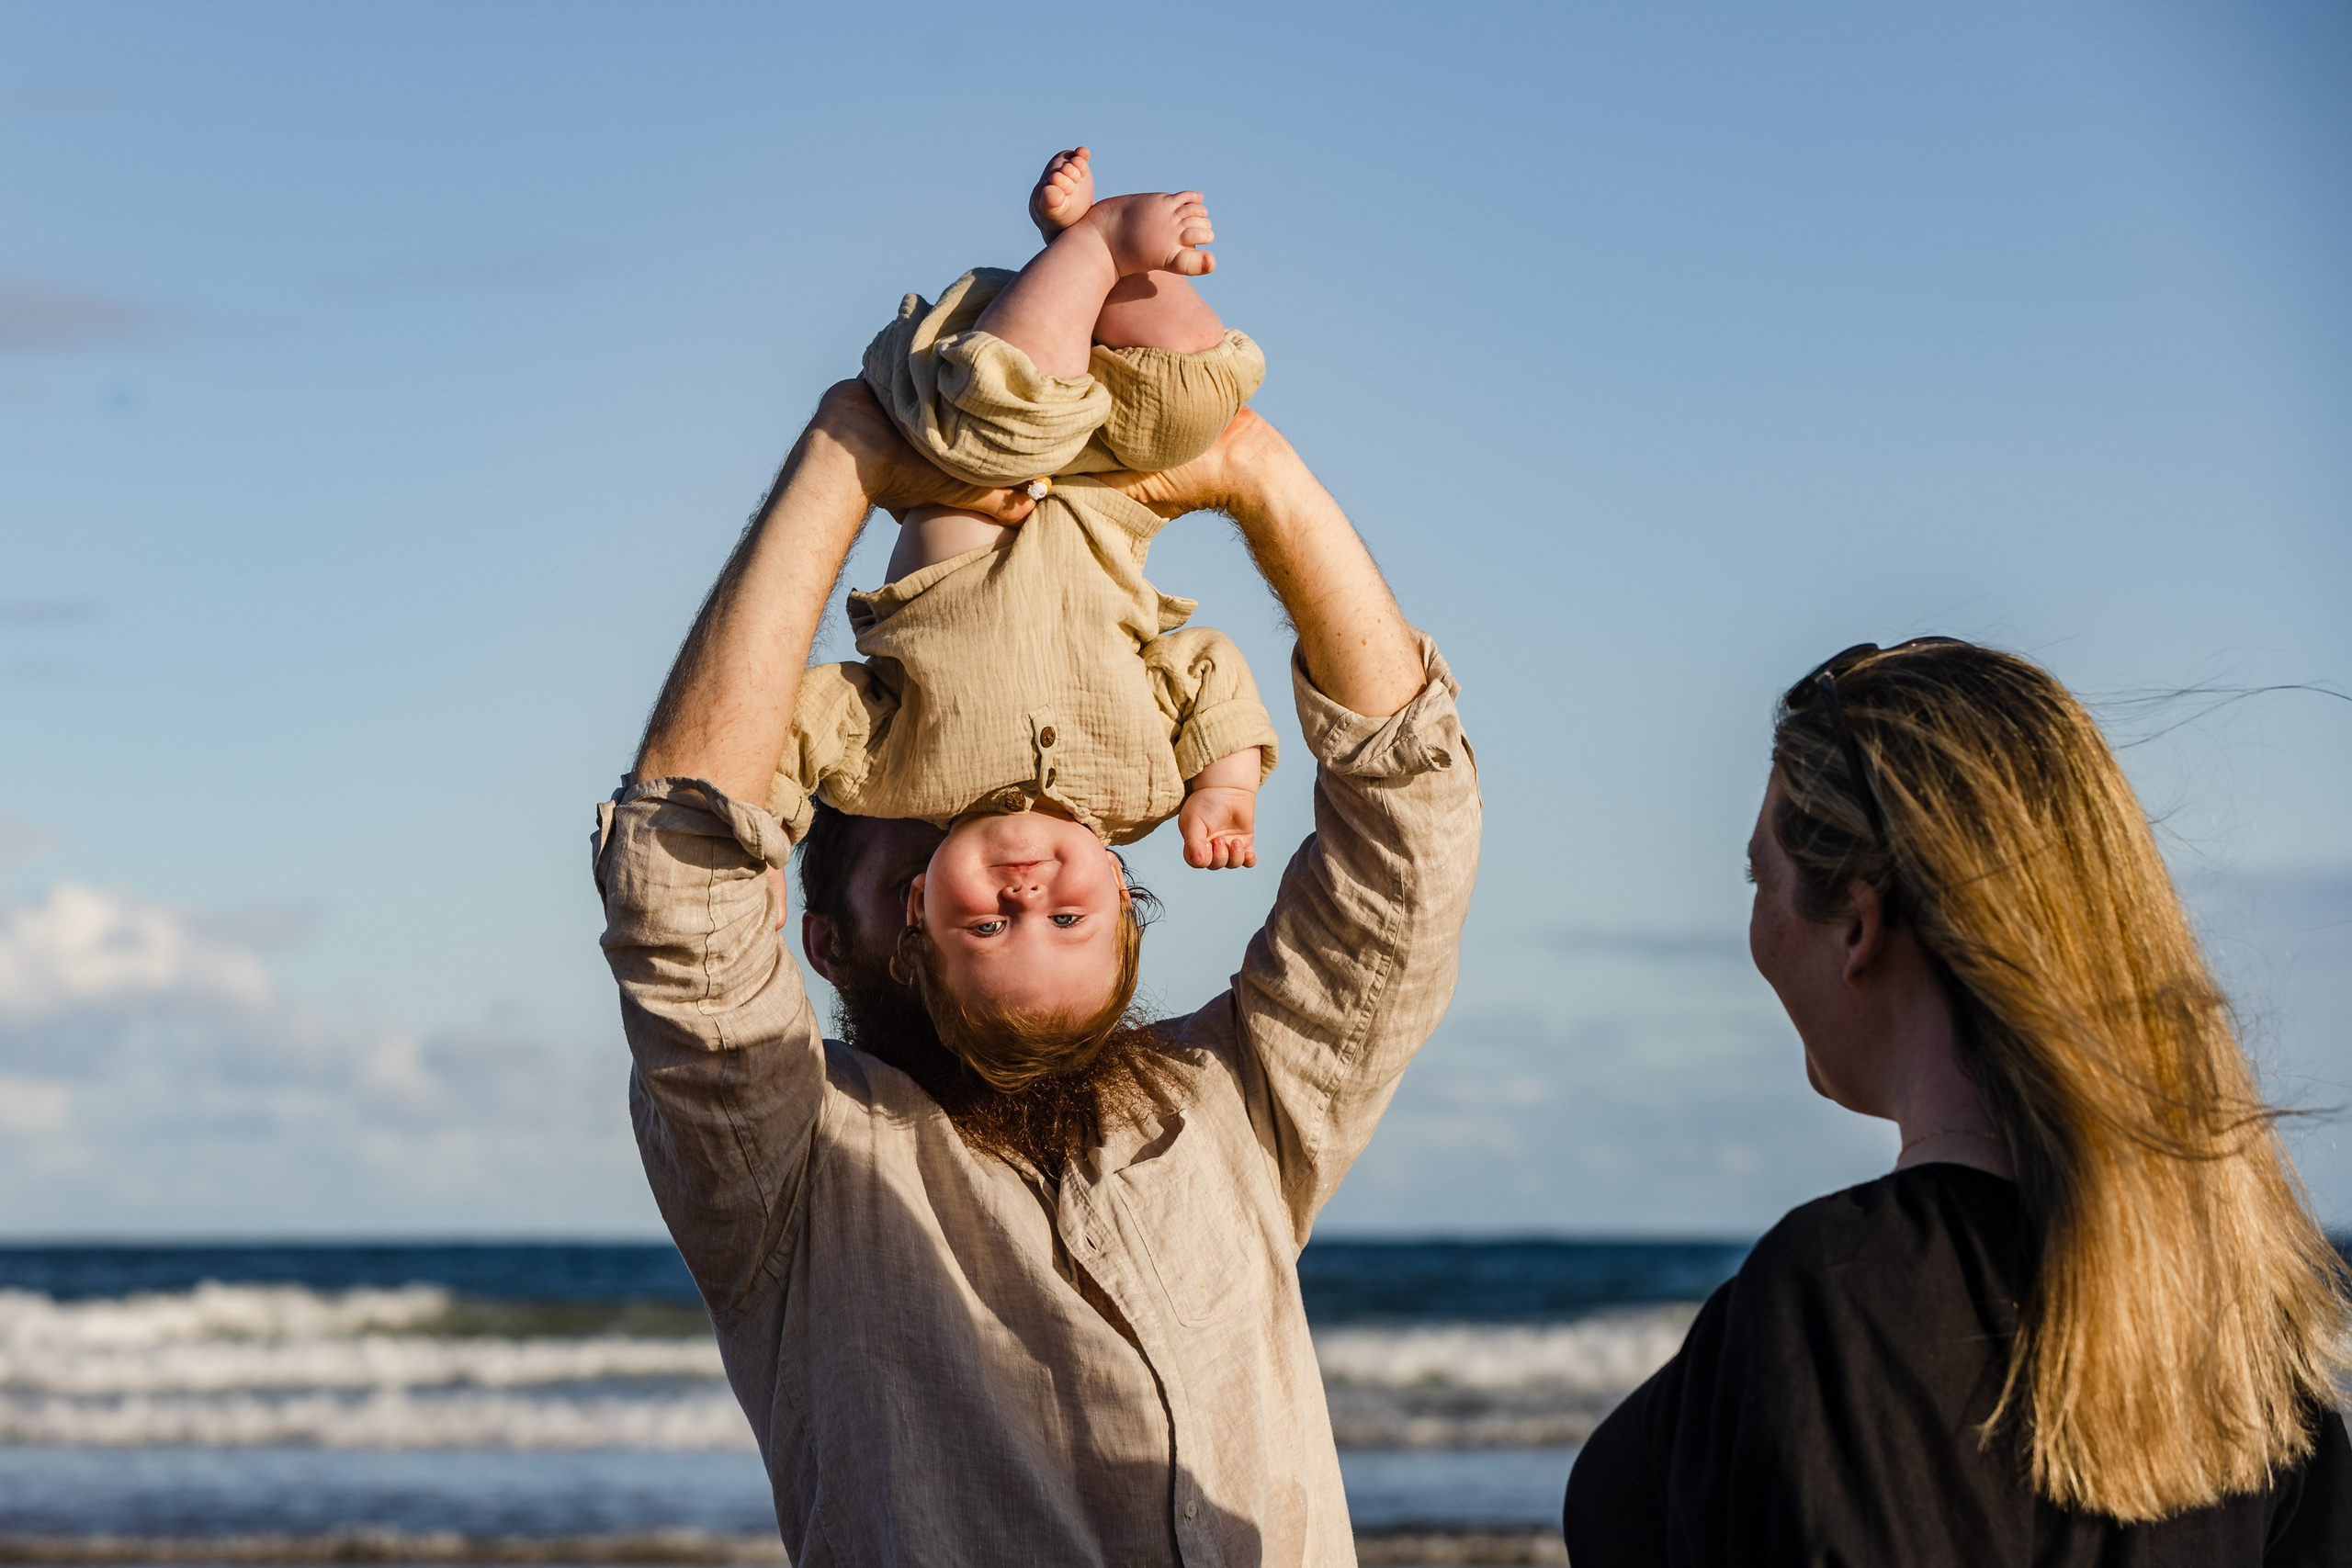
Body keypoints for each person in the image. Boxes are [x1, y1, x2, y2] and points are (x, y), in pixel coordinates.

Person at [594, 370, 1481, 1564]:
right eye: (918, 827)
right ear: (830, 939)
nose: (999, 842)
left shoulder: (1233, 1102)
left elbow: (1409, 844)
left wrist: (1259, 472)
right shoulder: (788, 1171)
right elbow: (684, 873)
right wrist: (842, 457)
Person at [1562, 637, 2352, 1564]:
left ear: (1859, 925)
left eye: (1757, 877)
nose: (1755, 923)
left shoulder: (1840, 1300)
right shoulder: (2250, 1340)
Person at [774, 150, 1279, 1089]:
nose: (1026, 895)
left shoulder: (896, 777)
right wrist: (1225, 784)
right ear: (1122, 901)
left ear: (920, 905)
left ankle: (1091, 248)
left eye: (988, 926)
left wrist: (761, 837)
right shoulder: (1143, 787)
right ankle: (1095, 266)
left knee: (1006, 420)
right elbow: (1204, 665)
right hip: (1109, 487)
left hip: (967, 439)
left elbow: (797, 721)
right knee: (1196, 399)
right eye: (1066, 921)